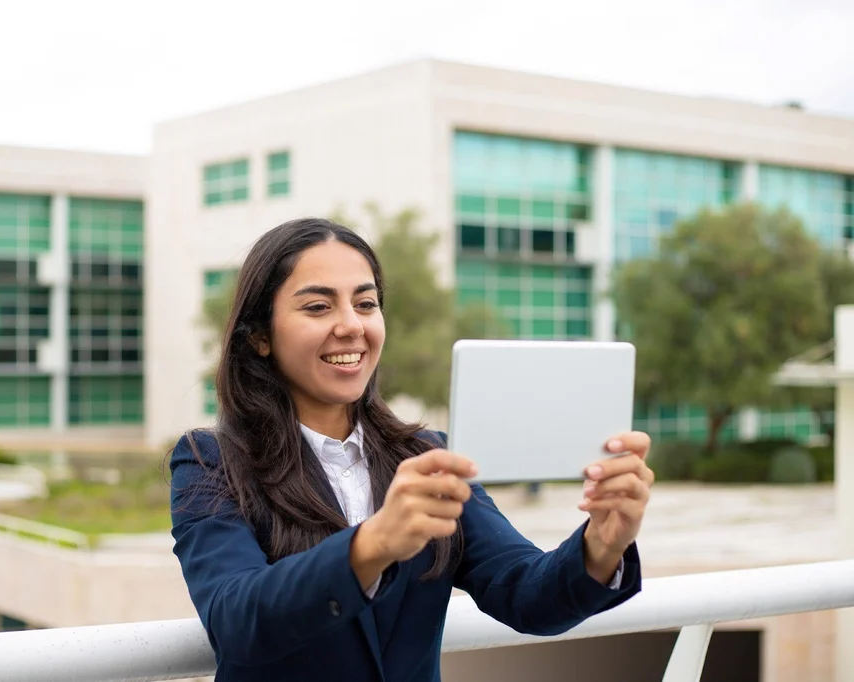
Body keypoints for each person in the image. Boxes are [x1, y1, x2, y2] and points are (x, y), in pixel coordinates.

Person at [169, 218, 655, 682]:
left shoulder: (424, 456)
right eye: (318, 307)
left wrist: (600, 545)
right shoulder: (211, 461)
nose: (351, 326)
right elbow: (236, 619)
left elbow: (525, 594)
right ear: (259, 337)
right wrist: (372, 545)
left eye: (365, 303)